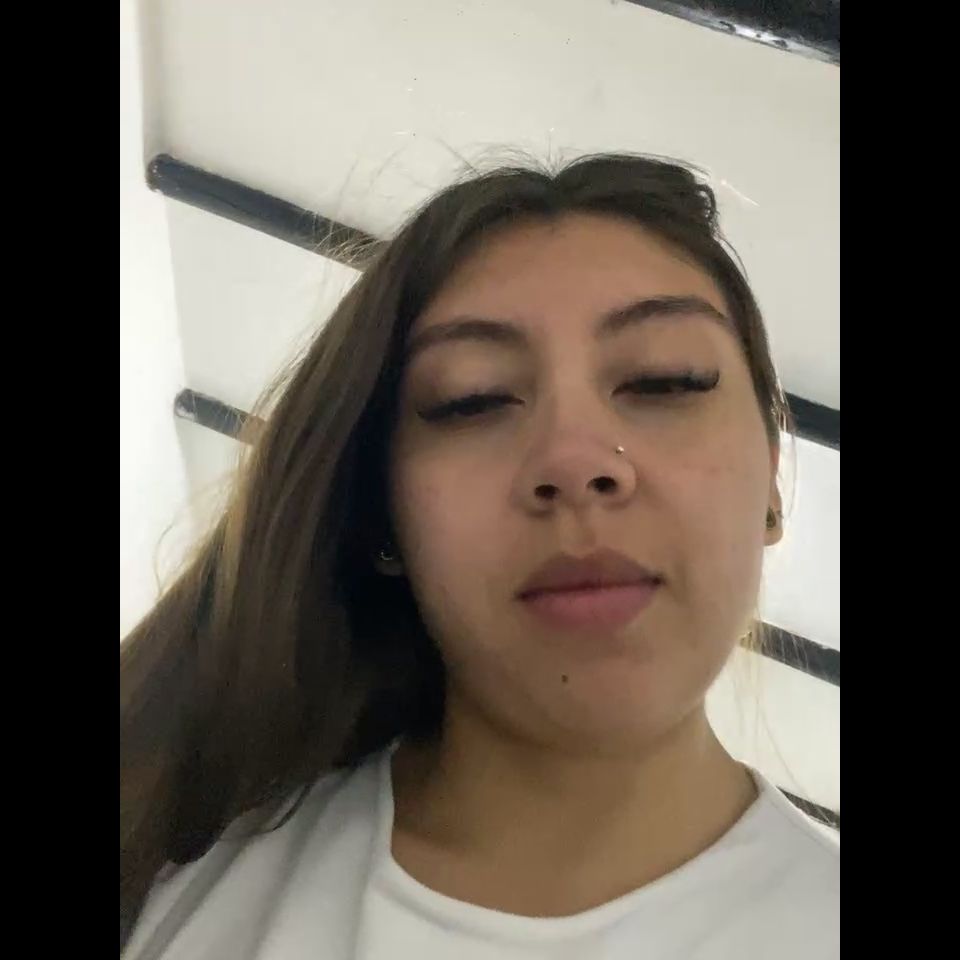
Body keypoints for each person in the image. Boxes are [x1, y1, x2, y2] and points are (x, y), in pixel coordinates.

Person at [120, 153, 839, 959]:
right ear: (383, 514)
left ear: (773, 481)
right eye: (472, 399)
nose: (575, 458)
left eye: (664, 380)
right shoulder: (174, 897)